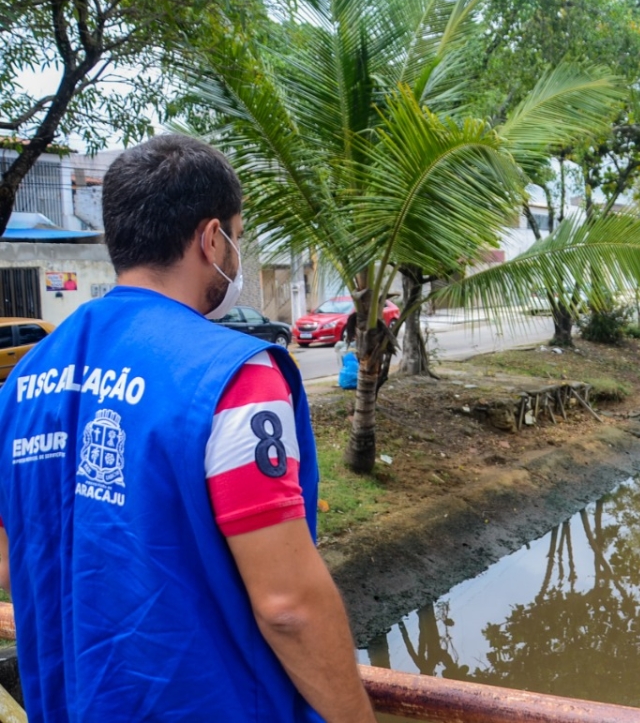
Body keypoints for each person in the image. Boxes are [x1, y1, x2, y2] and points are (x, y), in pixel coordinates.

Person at [0, 135, 374, 722]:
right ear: (210, 237)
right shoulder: (234, 378)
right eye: (237, 237)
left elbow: (10, 555)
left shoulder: (25, 380)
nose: (235, 257)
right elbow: (287, 605)